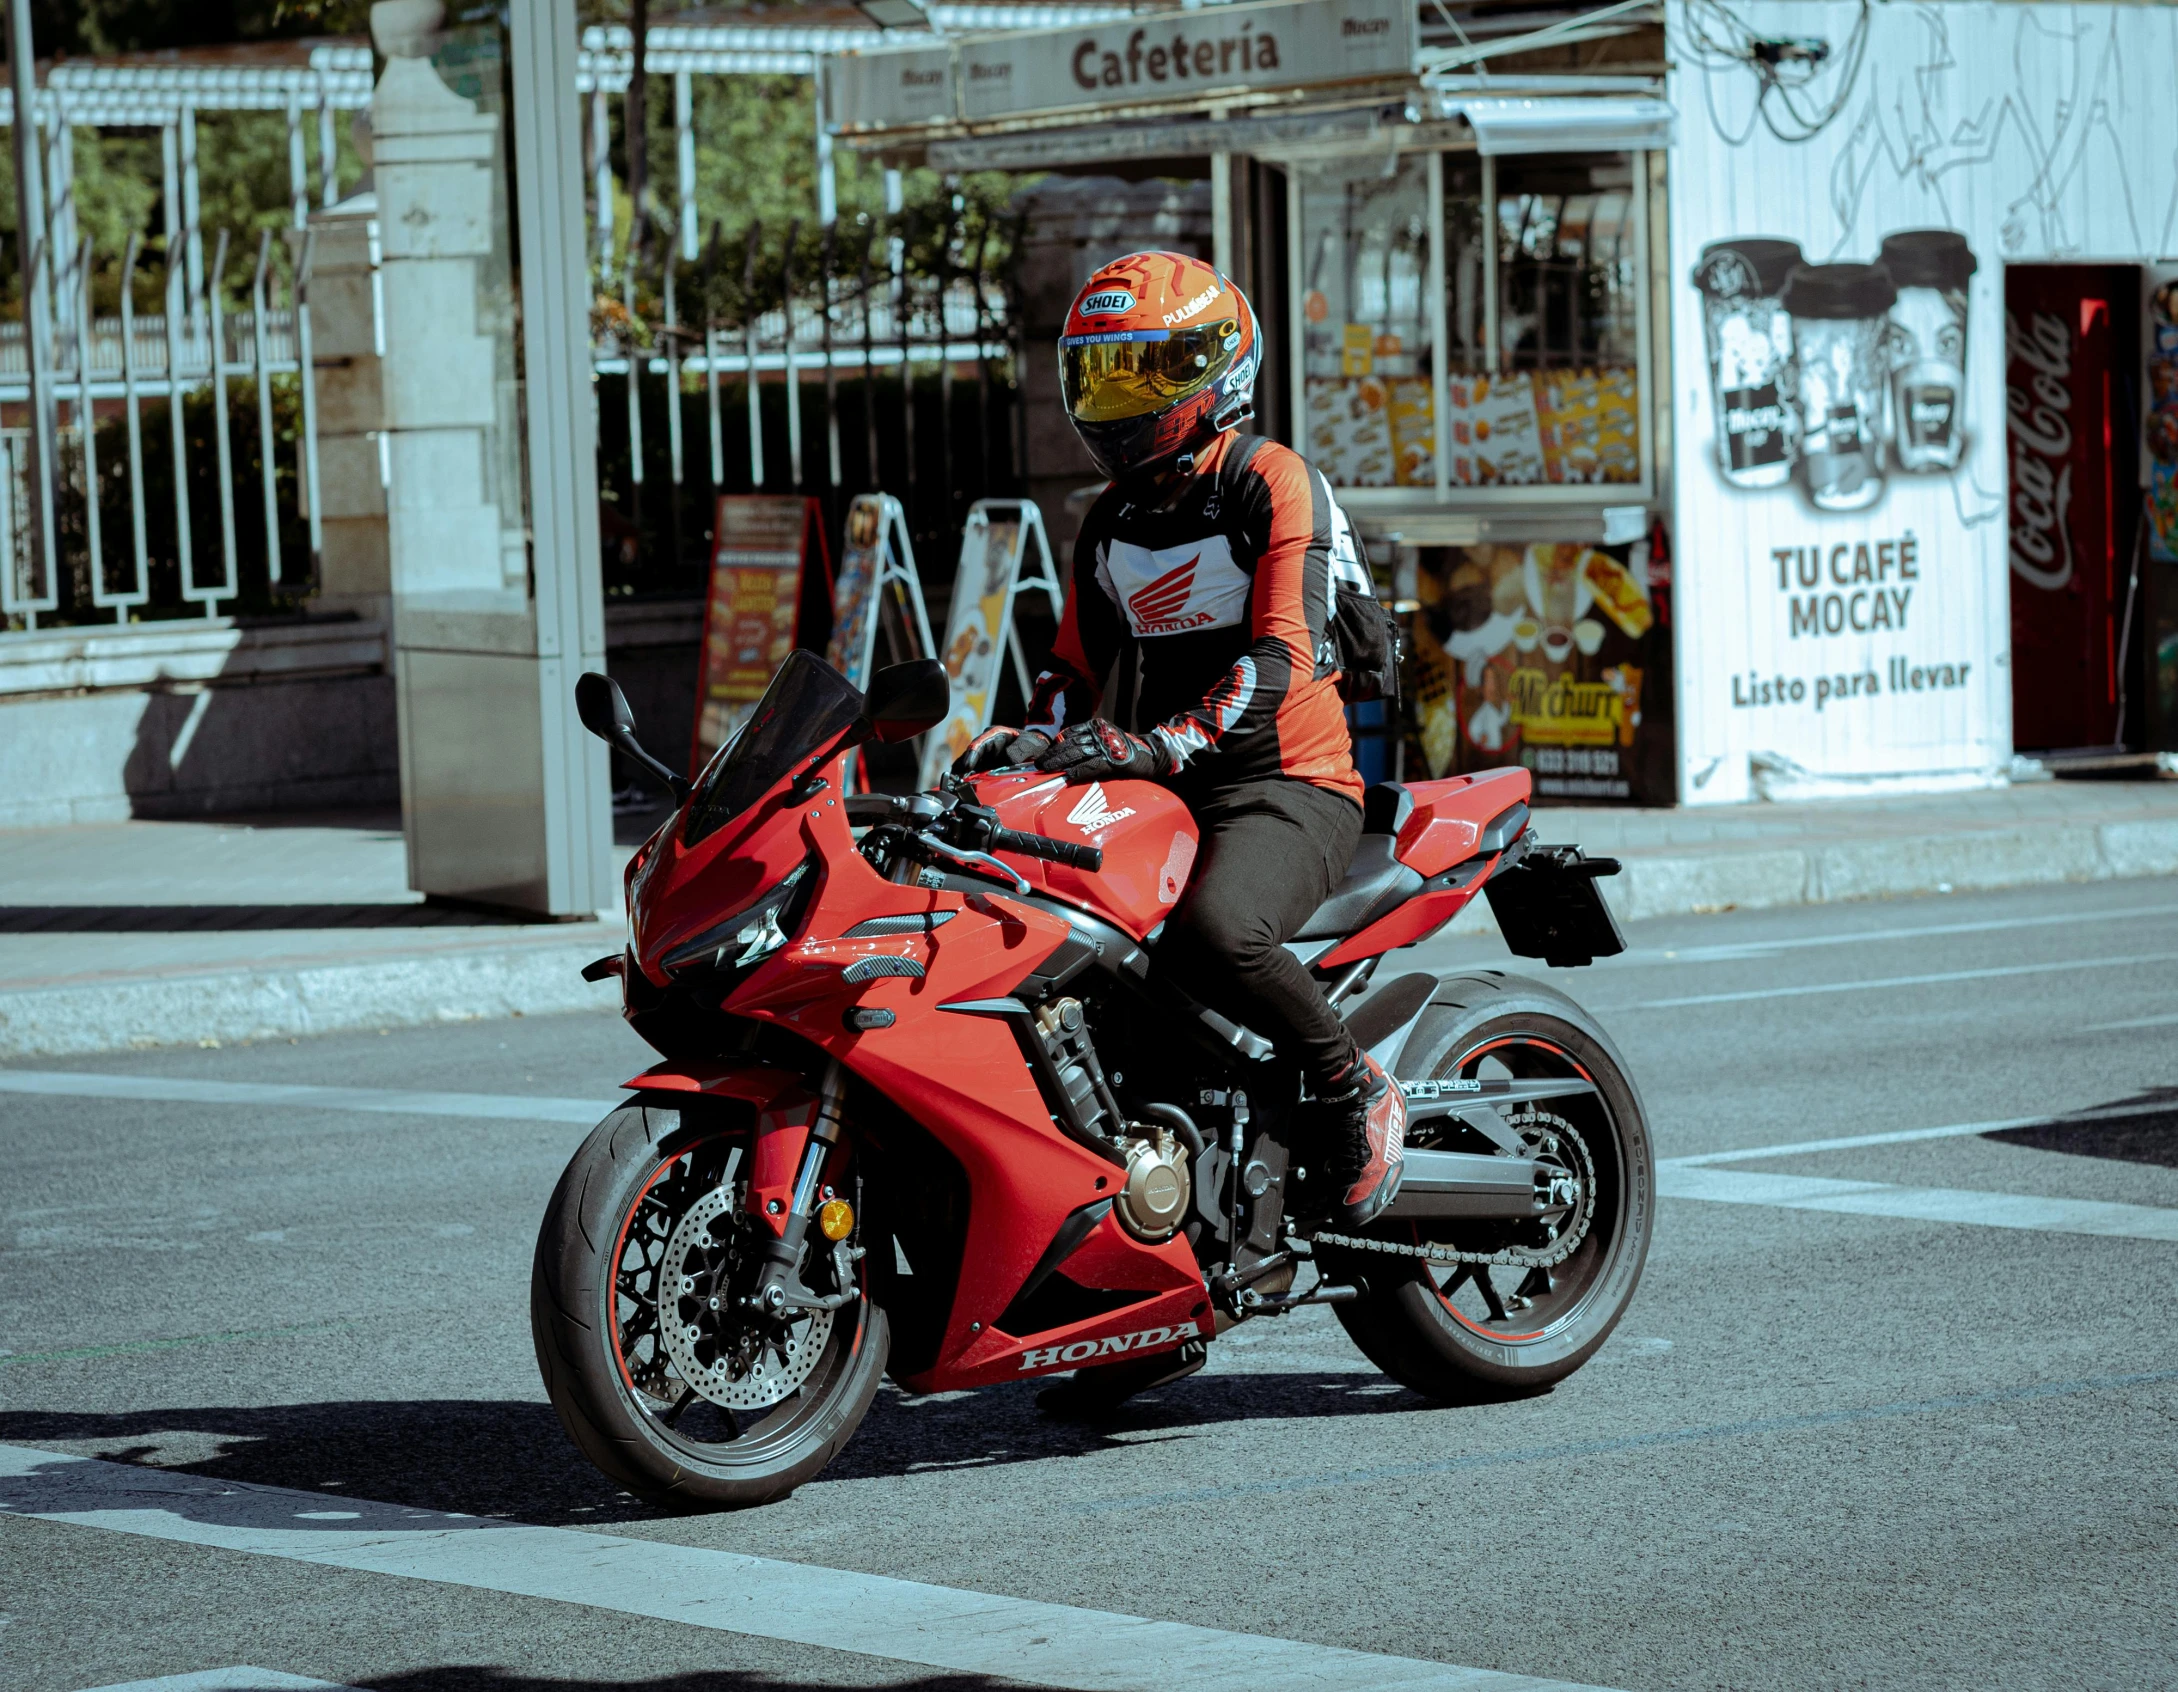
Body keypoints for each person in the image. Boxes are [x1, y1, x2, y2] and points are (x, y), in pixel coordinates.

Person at [953, 249, 1405, 1232]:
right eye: (1099, 373)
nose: (1116, 399)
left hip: (1288, 785)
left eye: (1141, 372)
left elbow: (1284, 655)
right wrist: (1024, 744)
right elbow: (1074, 674)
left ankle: (1352, 1087)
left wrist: (1157, 746)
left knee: (1216, 932)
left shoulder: (1272, 482)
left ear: (1213, 371)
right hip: (1162, 784)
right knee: (1063, 950)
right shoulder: (1109, 520)